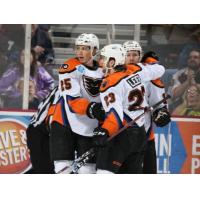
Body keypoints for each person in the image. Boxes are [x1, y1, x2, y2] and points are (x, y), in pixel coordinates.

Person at [93, 44, 165, 174]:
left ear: (112, 61)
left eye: (103, 58)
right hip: (140, 135)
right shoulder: (137, 70)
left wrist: (104, 131)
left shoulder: (110, 83)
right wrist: (151, 63)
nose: (100, 62)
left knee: (104, 173)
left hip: (122, 135)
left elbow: (115, 117)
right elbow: (160, 70)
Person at [50, 33, 104, 174]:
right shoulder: (69, 67)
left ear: (94, 50)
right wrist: (93, 108)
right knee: (63, 169)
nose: (80, 51)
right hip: (64, 122)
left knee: (88, 171)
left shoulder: (104, 71)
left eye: (85, 48)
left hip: (89, 126)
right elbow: (72, 101)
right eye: (78, 48)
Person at [122, 41, 171, 173]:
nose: (131, 58)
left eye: (135, 54)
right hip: (120, 135)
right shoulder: (115, 74)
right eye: (128, 54)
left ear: (140, 56)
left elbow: (158, 102)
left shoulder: (150, 76)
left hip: (145, 134)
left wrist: (160, 112)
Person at [26, 86, 60, 173]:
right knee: (45, 170)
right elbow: (52, 121)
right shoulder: (66, 88)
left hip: (46, 132)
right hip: (39, 132)